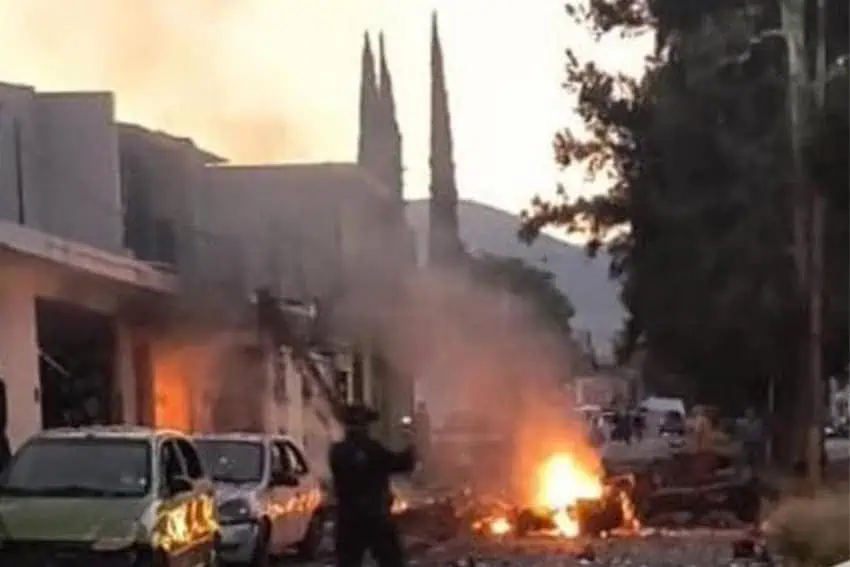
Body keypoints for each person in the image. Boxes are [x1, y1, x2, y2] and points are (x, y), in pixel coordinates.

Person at [330, 403, 416, 567]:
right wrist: (413, 445)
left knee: (347, 562)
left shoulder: (337, 452)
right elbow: (400, 464)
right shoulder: (373, 450)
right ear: (364, 425)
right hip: (375, 517)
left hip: (348, 519)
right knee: (392, 561)